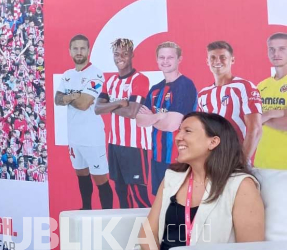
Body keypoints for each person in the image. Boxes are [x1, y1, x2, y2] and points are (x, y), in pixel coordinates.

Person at [73, 112, 265, 250]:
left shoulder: (240, 185)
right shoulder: (174, 177)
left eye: (187, 131)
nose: (178, 136)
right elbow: (148, 231)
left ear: (213, 141)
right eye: (179, 130)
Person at [55, 35, 114, 209]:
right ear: (70, 51)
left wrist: (69, 97)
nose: (79, 52)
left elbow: (83, 104)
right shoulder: (67, 75)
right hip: (74, 137)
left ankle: (107, 216)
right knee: (81, 174)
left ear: (88, 51)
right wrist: (73, 96)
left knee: (101, 179)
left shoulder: (95, 73)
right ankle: (86, 209)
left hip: (92, 138)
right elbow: (57, 99)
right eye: (75, 48)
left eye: (82, 48)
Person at [94, 38, 152, 208]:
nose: (120, 57)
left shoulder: (139, 79)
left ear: (132, 55)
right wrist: (120, 102)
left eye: (125, 54)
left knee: (138, 195)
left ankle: (149, 232)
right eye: (117, 54)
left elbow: (132, 112)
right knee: (121, 192)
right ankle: (129, 233)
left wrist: (109, 106)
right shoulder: (110, 81)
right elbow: (97, 109)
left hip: (134, 146)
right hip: (114, 144)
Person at [136, 42, 198, 197]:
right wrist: (159, 116)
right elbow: (139, 120)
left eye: (170, 57)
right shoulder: (155, 88)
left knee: (179, 204)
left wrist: (152, 118)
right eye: (162, 57)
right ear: (157, 60)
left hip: (180, 159)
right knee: (160, 203)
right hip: (157, 157)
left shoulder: (185, 85)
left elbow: (172, 124)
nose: (165, 61)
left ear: (179, 59)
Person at [196, 41, 262, 162]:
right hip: (212, 163)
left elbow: (255, 129)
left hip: (235, 162)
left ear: (232, 60)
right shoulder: (203, 94)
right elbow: (202, 133)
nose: (217, 61)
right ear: (207, 62)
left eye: (223, 57)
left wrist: (241, 162)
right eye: (213, 57)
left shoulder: (244, 86)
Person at [254, 32, 287, 169]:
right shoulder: (262, 86)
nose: (276, 53)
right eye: (272, 49)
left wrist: (264, 116)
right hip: (261, 163)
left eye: (282, 49)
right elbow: (252, 122)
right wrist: (275, 113)